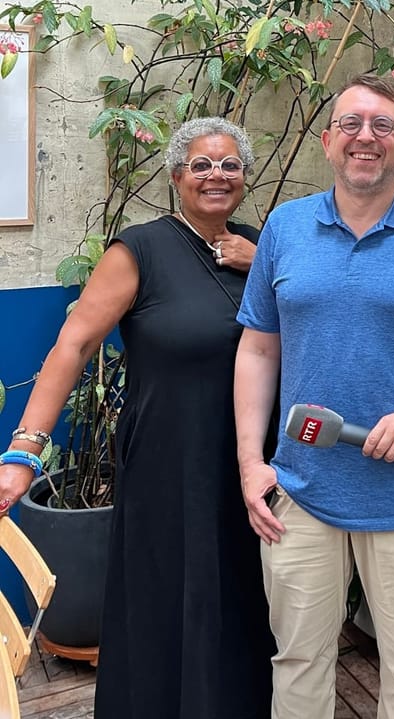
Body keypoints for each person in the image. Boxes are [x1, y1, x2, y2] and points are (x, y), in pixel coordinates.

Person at [0, 117, 274, 718]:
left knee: (238, 597)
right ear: (177, 176)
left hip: (247, 461)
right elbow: (72, 345)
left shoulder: (260, 243)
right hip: (167, 462)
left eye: (229, 164)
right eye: (201, 165)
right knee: (166, 597)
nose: (216, 176)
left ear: (244, 178)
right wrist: (24, 451)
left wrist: (261, 263)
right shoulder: (140, 249)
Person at [233, 73, 394, 719]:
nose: (365, 137)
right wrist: (252, 464)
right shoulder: (284, 229)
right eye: (351, 123)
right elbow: (258, 348)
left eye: (382, 126)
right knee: (299, 659)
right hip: (300, 488)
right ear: (328, 140)